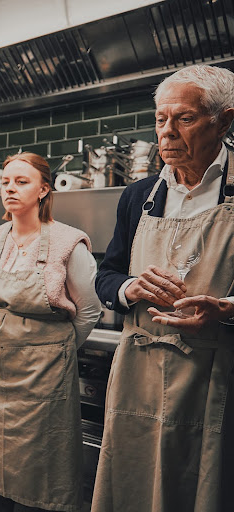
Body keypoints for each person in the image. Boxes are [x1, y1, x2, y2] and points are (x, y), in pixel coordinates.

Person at [92, 65, 234, 512]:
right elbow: (106, 275)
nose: (166, 133)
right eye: (159, 119)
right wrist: (131, 287)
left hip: (213, 374)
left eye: (184, 119)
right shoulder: (139, 196)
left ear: (224, 120)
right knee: (133, 485)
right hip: (139, 371)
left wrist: (226, 307)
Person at [0, 152, 101, 512]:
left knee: (41, 471)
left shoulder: (68, 242)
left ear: (44, 189)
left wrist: (54, 350)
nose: (10, 188)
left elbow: (90, 309)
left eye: (22, 181)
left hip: (43, 377)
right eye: (6, 182)